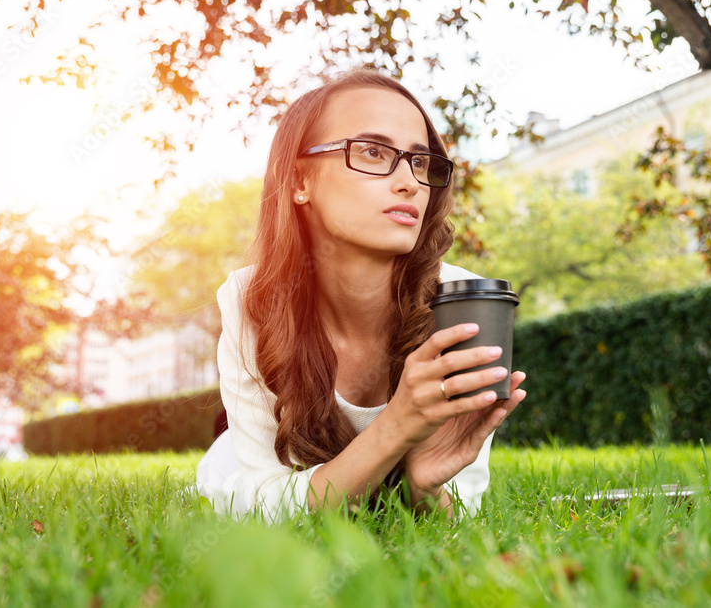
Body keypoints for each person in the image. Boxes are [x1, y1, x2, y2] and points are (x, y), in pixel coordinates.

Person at [195, 68, 527, 521]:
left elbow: (459, 516)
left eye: (420, 161)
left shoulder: (464, 304)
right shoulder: (250, 298)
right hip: (239, 465)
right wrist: (395, 428)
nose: (410, 181)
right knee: (224, 480)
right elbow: (265, 508)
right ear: (298, 182)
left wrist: (425, 486)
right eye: (373, 152)